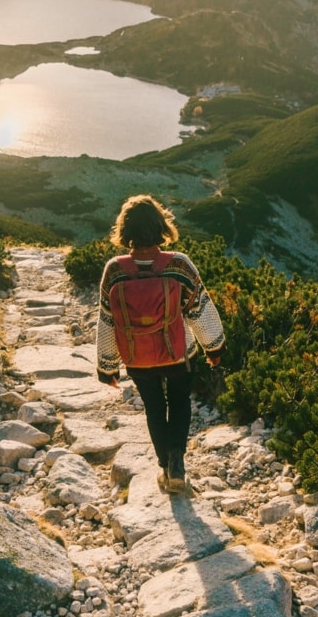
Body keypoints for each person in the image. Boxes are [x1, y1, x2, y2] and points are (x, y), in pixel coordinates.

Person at [96, 194, 225, 493]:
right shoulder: (178, 264)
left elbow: (107, 319)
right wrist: (214, 348)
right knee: (179, 403)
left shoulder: (114, 270)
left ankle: (165, 469)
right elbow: (199, 309)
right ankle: (177, 463)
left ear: (125, 230)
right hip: (177, 353)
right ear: (160, 226)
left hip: (137, 358)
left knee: (154, 409)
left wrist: (107, 366)